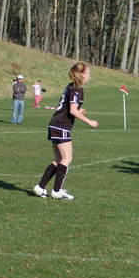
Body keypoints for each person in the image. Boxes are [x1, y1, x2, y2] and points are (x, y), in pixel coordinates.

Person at [33, 62, 98, 200]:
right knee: (67, 158)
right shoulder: (76, 89)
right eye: (88, 73)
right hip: (61, 125)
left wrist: (79, 110)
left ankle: (40, 187)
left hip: (56, 124)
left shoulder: (71, 86)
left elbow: (69, 108)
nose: (89, 76)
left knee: (59, 159)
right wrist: (89, 121)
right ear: (82, 74)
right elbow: (72, 110)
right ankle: (57, 190)